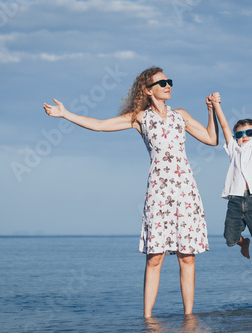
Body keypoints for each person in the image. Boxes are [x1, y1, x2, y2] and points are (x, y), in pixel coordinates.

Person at [43, 66, 218, 318]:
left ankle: (188, 318)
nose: (168, 85)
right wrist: (65, 114)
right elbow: (101, 125)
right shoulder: (139, 117)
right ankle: (148, 319)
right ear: (148, 90)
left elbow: (212, 139)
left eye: (169, 81)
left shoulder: (181, 115)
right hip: (159, 191)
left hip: (186, 191)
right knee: (154, 257)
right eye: (161, 83)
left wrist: (211, 110)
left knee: (187, 257)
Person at [208, 89, 252, 259]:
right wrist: (216, 105)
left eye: (249, 133)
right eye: (239, 134)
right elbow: (224, 126)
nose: (244, 136)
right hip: (235, 198)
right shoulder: (234, 149)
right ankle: (242, 243)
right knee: (229, 238)